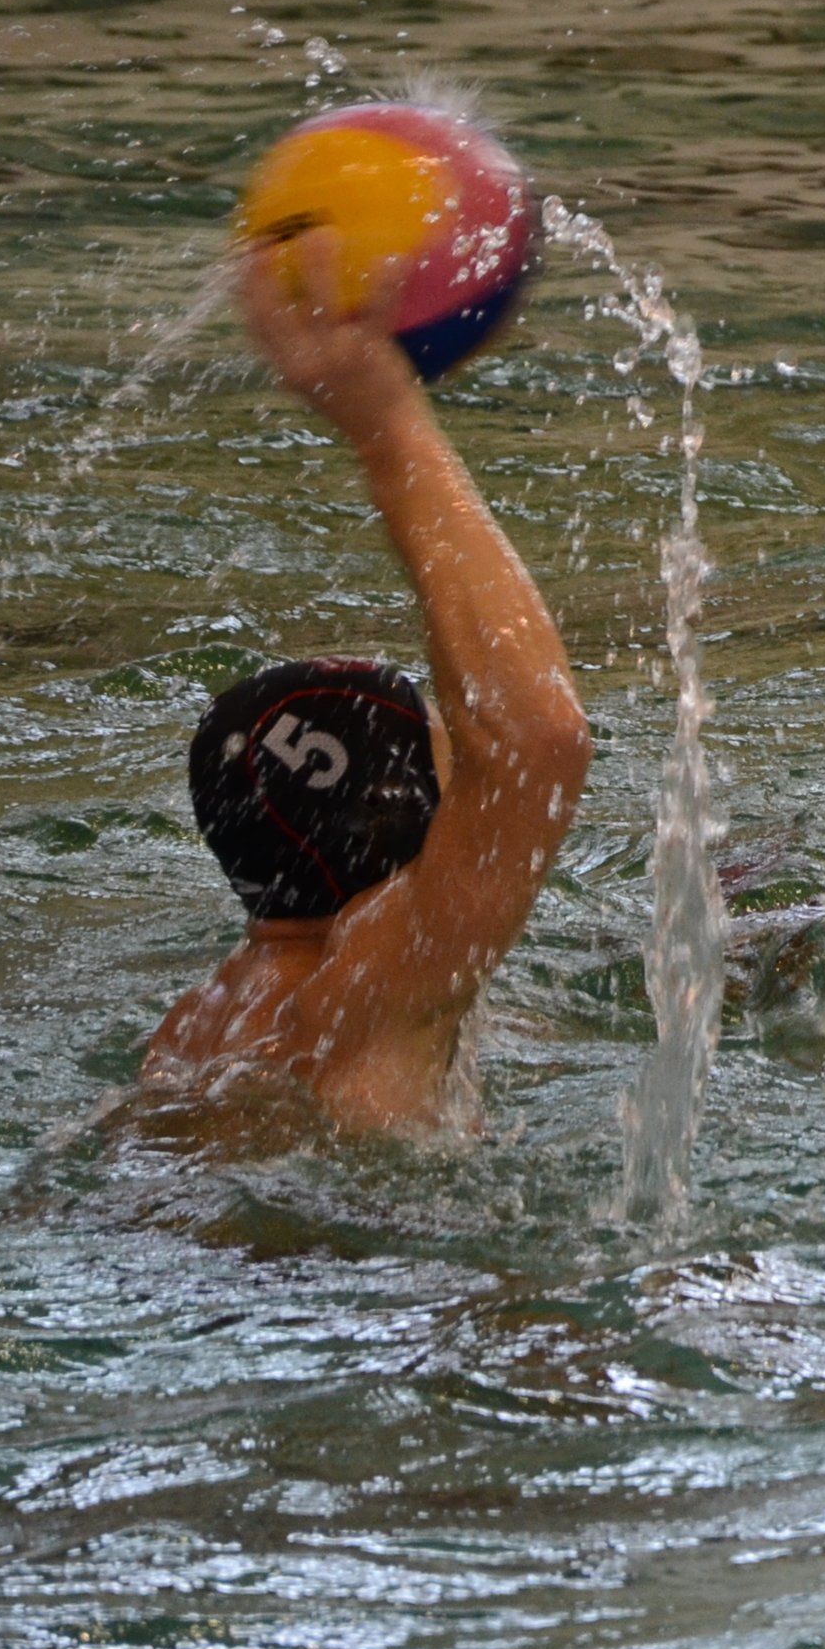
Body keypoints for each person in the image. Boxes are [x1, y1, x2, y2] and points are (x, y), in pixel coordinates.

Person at [138, 227, 592, 1138]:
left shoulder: (199, 1025)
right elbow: (537, 741)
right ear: (399, 810)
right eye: (449, 760)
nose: (465, 773)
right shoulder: (368, 987)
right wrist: (387, 424)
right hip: (351, 1234)